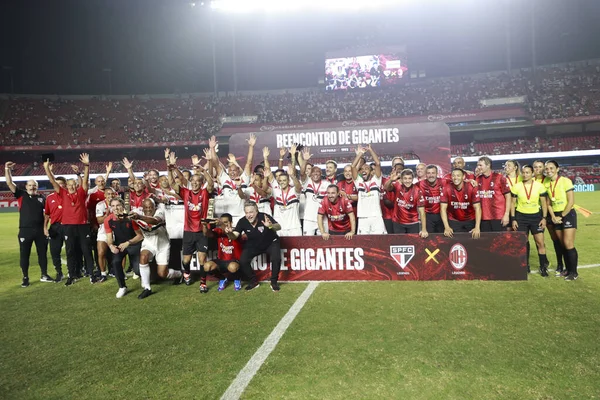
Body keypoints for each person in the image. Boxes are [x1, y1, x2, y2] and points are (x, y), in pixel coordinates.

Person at [44, 154, 97, 286]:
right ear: (66, 186)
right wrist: (47, 168)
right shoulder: (62, 193)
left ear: (76, 185)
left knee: (86, 250)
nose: (72, 186)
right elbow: (52, 181)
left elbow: (85, 180)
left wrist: (86, 166)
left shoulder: (81, 192)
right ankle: (71, 275)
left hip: (82, 225)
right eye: (69, 185)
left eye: (74, 184)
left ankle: (91, 274)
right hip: (68, 226)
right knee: (70, 251)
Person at [168, 151, 214, 288]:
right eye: (192, 181)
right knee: (186, 260)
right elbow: (171, 183)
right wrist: (170, 169)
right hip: (188, 231)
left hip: (202, 231)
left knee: (202, 259)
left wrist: (203, 171)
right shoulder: (185, 193)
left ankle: (203, 283)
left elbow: (210, 183)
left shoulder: (205, 193)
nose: (194, 183)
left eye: (197, 181)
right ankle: (186, 273)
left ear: (201, 183)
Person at [5, 161, 53, 287]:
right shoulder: (21, 195)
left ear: (37, 187)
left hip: (40, 231)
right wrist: (7, 170)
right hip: (25, 230)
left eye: (34, 186)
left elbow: (47, 214)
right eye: (30, 185)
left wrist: (46, 228)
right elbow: (10, 183)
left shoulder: (42, 198)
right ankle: (25, 277)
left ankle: (44, 274)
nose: (32, 187)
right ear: (26, 187)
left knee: (42, 253)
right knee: (24, 255)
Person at [226, 201, 282, 292]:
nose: (249, 215)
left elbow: (279, 227)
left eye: (251, 212)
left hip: (271, 242)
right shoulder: (242, 221)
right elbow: (235, 236)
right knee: (243, 261)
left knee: (276, 258)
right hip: (254, 244)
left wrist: (271, 226)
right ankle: (253, 281)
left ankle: (274, 282)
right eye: (246, 212)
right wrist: (229, 233)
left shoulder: (264, 216)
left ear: (256, 211)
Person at [130, 198, 179, 297]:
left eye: (150, 207)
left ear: (155, 207)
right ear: (142, 208)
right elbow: (138, 232)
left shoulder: (160, 212)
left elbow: (155, 221)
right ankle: (147, 288)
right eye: (146, 207)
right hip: (148, 243)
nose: (148, 209)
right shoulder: (136, 214)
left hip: (162, 244)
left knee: (162, 274)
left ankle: (179, 274)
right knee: (143, 257)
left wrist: (140, 217)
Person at [510, 165, 549, 276]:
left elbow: (544, 204)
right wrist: (513, 219)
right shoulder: (516, 186)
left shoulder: (539, 186)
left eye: (528, 172)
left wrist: (544, 218)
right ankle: (525, 266)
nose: (525, 174)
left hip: (536, 217)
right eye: (523, 172)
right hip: (521, 217)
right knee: (523, 242)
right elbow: (512, 204)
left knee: (540, 242)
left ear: (532, 173)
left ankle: (543, 267)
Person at [544, 160, 579, 280]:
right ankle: (567, 270)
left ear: (557, 169)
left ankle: (573, 273)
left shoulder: (565, 181)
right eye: (547, 168)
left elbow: (571, 201)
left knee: (568, 243)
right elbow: (548, 203)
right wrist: (553, 216)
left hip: (567, 214)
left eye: (551, 168)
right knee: (562, 244)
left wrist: (562, 216)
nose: (549, 170)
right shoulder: (546, 183)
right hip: (555, 215)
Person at [104, 198, 144, 298]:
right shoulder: (108, 220)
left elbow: (140, 236)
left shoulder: (130, 217)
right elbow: (109, 238)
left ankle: (145, 278)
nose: (115, 208)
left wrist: (128, 242)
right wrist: (111, 246)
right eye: (113, 206)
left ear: (122, 206)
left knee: (138, 270)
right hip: (120, 245)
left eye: (117, 205)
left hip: (134, 244)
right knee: (116, 262)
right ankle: (122, 287)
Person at [203, 213, 244, 292]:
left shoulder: (236, 232)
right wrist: (205, 225)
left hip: (234, 261)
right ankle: (222, 278)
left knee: (232, 267)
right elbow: (207, 234)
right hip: (221, 260)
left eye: (225, 222)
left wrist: (221, 224)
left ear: (231, 223)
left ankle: (237, 279)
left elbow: (230, 234)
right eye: (222, 222)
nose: (223, 224)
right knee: (207, 266)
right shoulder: (219, 231)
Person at [351, 145, 386, 235]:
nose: (364, 170)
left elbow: (377, 163)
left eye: (366, 168)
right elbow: (353, 166)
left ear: (371, 172)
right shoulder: (358, 182)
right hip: (362, 218)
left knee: (380, 242)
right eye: (362, 169)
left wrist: (370, 150)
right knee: (364, 243)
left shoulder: (376, 180)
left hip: (376, 216)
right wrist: (360, 154)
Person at [384, 169, 428, 237]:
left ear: (413, 179)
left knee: (413, 244)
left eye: (409, 178)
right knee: (400, 245)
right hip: (398, 222)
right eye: (405, 178)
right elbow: (386, 188)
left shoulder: (417, 191)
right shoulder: (397, 186)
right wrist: (391, 180)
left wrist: (424, 229)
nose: (407, 181)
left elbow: (422, 212)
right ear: (401, 179)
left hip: (413, 223)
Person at [440, 168, 482, 239]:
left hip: (470, 220)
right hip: (454, 220)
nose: (455, 178)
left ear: (463, 177)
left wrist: (477, 227)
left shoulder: (472, 187)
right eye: (453, 176)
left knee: (472, 244)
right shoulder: (446, 188)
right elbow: (442, 209)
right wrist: (446, 227)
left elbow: (477, 208)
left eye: (458, 175)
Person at [476, 156, 511, 232]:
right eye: (477, 165)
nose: (478, 167)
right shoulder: (477, 179)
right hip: (483, 217)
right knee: (486, 243)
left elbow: (508, 196)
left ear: (488, 165)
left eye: (480, 165)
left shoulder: (499, 177)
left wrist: (506, 214)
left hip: (498, 216)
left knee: (500, 242)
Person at [44, 173, 66, 282]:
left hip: (67, 226)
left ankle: (76, 271)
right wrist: (45, 227)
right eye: (57, 184)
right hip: (55, 227)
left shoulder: (68, 195)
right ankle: (59, 272)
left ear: (65, 185)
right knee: (54, 251)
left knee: (73, 249)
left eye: (62, 184)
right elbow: (47, 214)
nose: (59, 186)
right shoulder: (49, 198)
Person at [96, 187, 117, 282]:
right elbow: (99, 220)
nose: (110, 196)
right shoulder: (100, 205)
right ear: (104, 195)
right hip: (103, 232)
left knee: (119, 252)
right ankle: (103, 274)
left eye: (112, 194)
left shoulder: (118, 204)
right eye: (108, 194)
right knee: (101, 253)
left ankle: (119, 271)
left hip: (116, 231)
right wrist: (107, 215)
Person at [418, 164, 446, 233]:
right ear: (425, 174)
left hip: (442, 215)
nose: (431, 175)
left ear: (437, 173)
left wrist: (469, 181)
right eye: (428, 173)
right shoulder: (419, 184)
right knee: (429, 239)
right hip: (428, 216)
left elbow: (457, 181)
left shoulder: (444, 182)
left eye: (433, 173)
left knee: (443, 238)